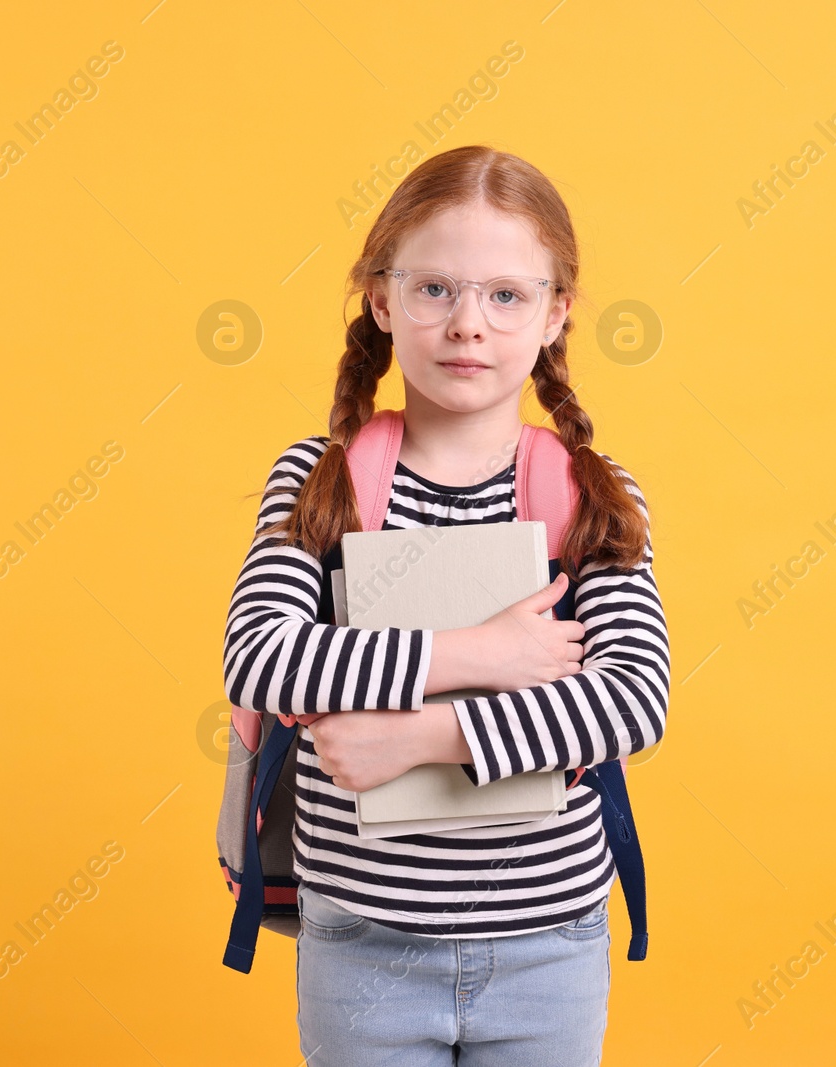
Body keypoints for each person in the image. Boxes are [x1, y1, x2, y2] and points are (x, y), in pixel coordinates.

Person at [221, 144, 670, 1066]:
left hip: (549, 943)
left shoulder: (593, 493)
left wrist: (419, 737)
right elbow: (262, 658)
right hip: (362, 940)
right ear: (383, 302)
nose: (469, 324)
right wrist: (484, 655)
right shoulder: (320, 482)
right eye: (435, 290)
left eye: (507, 295)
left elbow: (631, 701)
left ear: (556, 314)